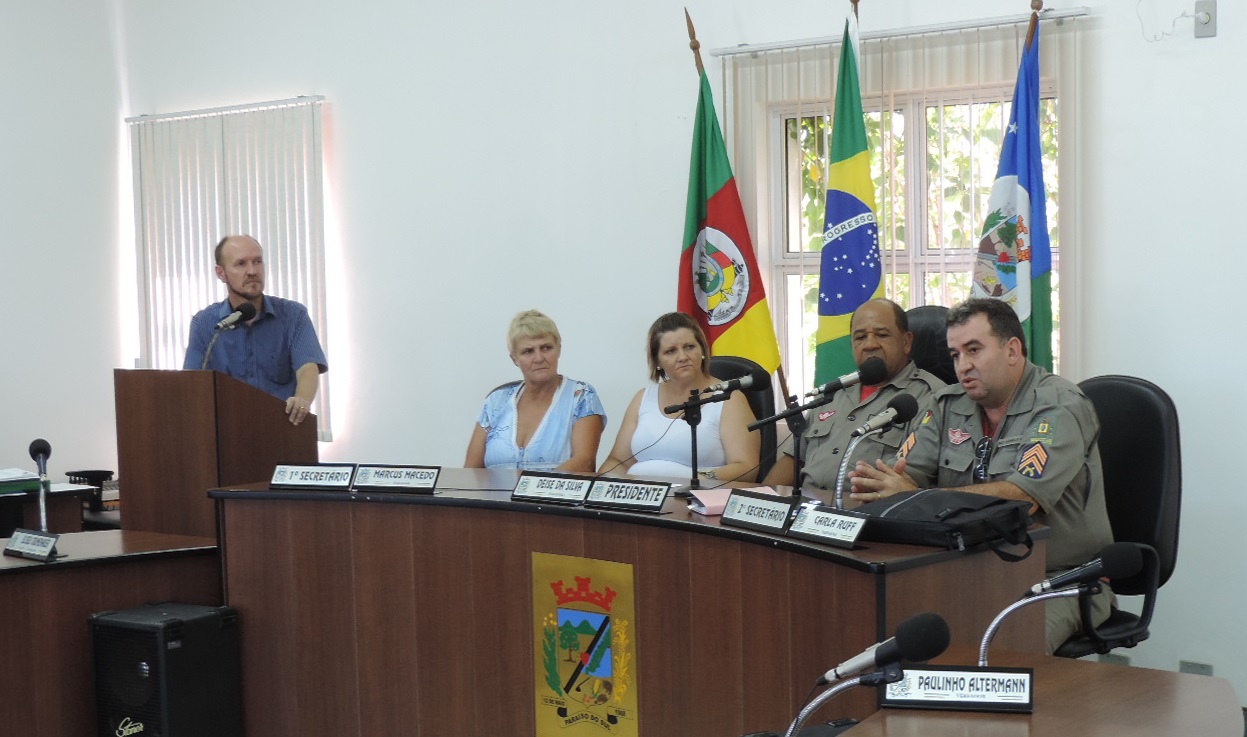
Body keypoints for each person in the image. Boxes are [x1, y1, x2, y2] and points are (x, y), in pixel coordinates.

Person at [849, 298, 1115, 653]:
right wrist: (895, 489)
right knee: (883, 629)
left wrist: (924, 497)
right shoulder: (946, 405)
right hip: (968, 572)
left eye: (974, 350)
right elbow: (900, 479)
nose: (963, 366)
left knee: (1002, 649)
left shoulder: (1059, 406)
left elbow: (1021, 497)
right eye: (955, 355)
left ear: (1012, 350)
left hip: (1060, 580)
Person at [761, 298, 945, 492]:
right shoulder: (832, 394)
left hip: (867, 513)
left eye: (882, 335)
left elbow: (906, 480)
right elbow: (792, 460)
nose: (870, 344)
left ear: (906, 342)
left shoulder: (930, 397)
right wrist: (759, 502)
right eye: (860, 337)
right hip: (806, 512)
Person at [183, 235, 327, 426]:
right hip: (226, 432)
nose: (252, 271)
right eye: (241, 264)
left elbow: (308, 367)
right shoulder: (206, 324)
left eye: (257, 262)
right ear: (221, 273)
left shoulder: (293, 316)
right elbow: (193, 384)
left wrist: (302, 400)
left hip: (283, 428)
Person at [599, 312, 760, 482]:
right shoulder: (642, 398)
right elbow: (618, 462)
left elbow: (746, 467)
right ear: (657, 362)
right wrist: (598, 489)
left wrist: (696, 480)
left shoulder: (729, 399)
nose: (683, 357)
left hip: (695, 500)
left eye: (689, 347)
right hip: (641, 500)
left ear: (703, 350)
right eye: (671, 351)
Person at [464, 310, 606, 472]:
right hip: (491, 496)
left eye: (546, 348)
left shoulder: (581, 396)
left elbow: (585, 463)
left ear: (558, 349)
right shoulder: (496, 401)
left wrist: (527, 489)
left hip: (553, 497)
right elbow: (470, 471)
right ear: (514, 359)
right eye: (528, 351)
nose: (538, 358)